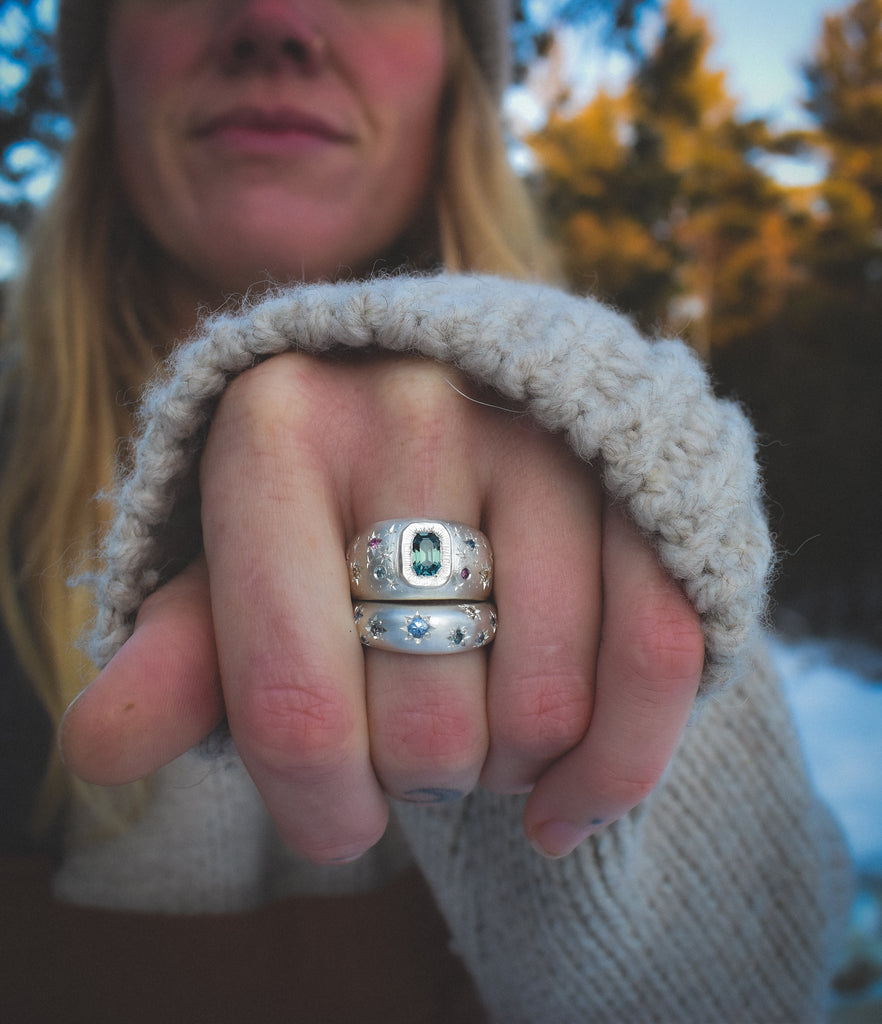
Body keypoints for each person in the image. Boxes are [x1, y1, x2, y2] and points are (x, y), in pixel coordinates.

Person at [0, 1, 852, 1021]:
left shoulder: (613, 447)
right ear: (106, 67)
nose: (274, 20)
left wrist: (603, 435)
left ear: (455, 76)